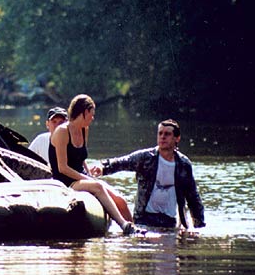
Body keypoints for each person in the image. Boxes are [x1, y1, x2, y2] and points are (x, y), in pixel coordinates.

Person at [48, 94, 145, 235]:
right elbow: (62, 168)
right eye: (91, 114)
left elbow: (81, 158)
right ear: (84, 112)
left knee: (121, 200)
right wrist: (88, 179)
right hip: (66, 180)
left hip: (82, 177)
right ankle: (124, 225)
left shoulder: (84, 129)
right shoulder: (62, 131)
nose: (92, 118)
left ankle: (135, 230)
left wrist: (89, 174)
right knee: (98, 186)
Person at [100, 119, 206, 229]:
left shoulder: (184, 164)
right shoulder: (146, 157)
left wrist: (199, 226)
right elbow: (123, 162)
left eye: (167, 134)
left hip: (170, 221)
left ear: (177, 138)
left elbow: (193, 197)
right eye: (160, 133)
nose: (162, 137)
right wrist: (102, 169)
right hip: (144, 219)